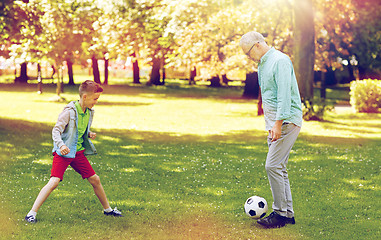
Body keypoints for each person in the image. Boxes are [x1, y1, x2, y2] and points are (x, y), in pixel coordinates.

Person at [25, 80, 123, 223]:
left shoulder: (88, 112)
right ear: (85, 97)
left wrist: (88, 134)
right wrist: (61, 145)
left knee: (95, 179)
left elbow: (78, 129)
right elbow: (56, 131)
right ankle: (31, 213)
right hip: (64, 153)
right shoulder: (69, 112)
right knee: (54, 182)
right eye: (95, 98)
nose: (96, 102)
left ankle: (107, 210)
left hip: (77, 153)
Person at [239, 32, 303, 228]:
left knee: (272, 166)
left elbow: (284, 95)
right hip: (274, 124)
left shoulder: (280, 61)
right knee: (279, 168)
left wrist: (277, 124)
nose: (249, 57)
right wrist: (270, 125)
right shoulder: (263, 64)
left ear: (257, 45)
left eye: (249, 53)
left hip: (285, 121)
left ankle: (280, 214)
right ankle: (288, 213)